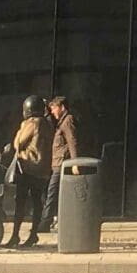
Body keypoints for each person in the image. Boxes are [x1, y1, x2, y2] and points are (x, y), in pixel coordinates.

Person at [4, 94, 47, 248]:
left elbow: (18, 143)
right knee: (37, 202)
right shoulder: (47, 124)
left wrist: (22, 127)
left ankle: (15, 235)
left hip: (27, 168)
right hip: (42, 169)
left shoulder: (32, 122)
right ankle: (33, 234)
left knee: (20, 202)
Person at [39, 94, 79, 237]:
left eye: (54, 108)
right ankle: (51, 221)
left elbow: (72, 141)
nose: (53, 112)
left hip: (61, 163)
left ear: (62, 107)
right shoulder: (60, 122)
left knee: (52, 193)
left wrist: (75, 163)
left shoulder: (67, 121)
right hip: (57, 163)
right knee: (53, 193)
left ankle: (45, 223)